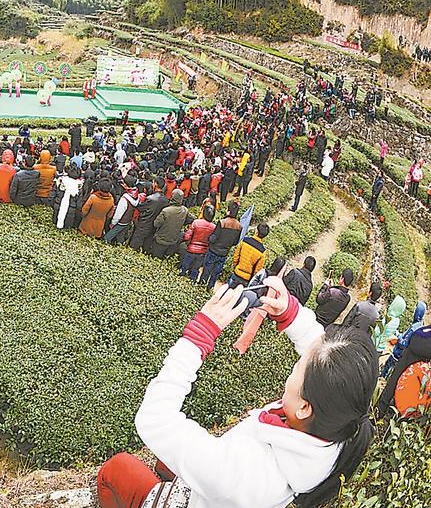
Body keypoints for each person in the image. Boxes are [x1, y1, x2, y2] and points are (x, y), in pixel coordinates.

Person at [96, 282, 378, 508]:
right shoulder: (336, 423)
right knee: (163, 461)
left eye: (299, 365)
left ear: (305, 407)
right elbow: (321, 354)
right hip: (223, 485)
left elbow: (154, 420)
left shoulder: (245, 472)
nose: (300, 359)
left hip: (209, 494)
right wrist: (290, 313)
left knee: (116, 469)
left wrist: (199, 336)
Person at [130, 178, 167, 253]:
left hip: (143, 224)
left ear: (156, 184)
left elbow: (140, 207)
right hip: (153, 227)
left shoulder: (151, 198)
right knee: (146, 248)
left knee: (134, 246)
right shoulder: (165, 200)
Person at [180, 205, 215, 280]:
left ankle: (181, 278)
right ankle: (193, 282)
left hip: (191, 249)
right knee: (195, 269)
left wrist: (188, 243)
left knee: (184, 267)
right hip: (202, 252)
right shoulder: (213, 227)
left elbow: (187, 236)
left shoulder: (196, 222)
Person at [150, 189, 188, 258]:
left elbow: (156, 224)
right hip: (173, 241)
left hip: (161, 241)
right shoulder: (185, 210)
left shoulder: (166, 211)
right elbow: (191, 219)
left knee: (155, 258)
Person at [230, 223, 268, 287]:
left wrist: (235, 267)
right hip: (246, 279)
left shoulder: (245, 240)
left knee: (226, 293)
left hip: (237, 272)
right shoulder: (262, 251)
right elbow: (257, 270)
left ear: (256, 231)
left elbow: (236, 257)